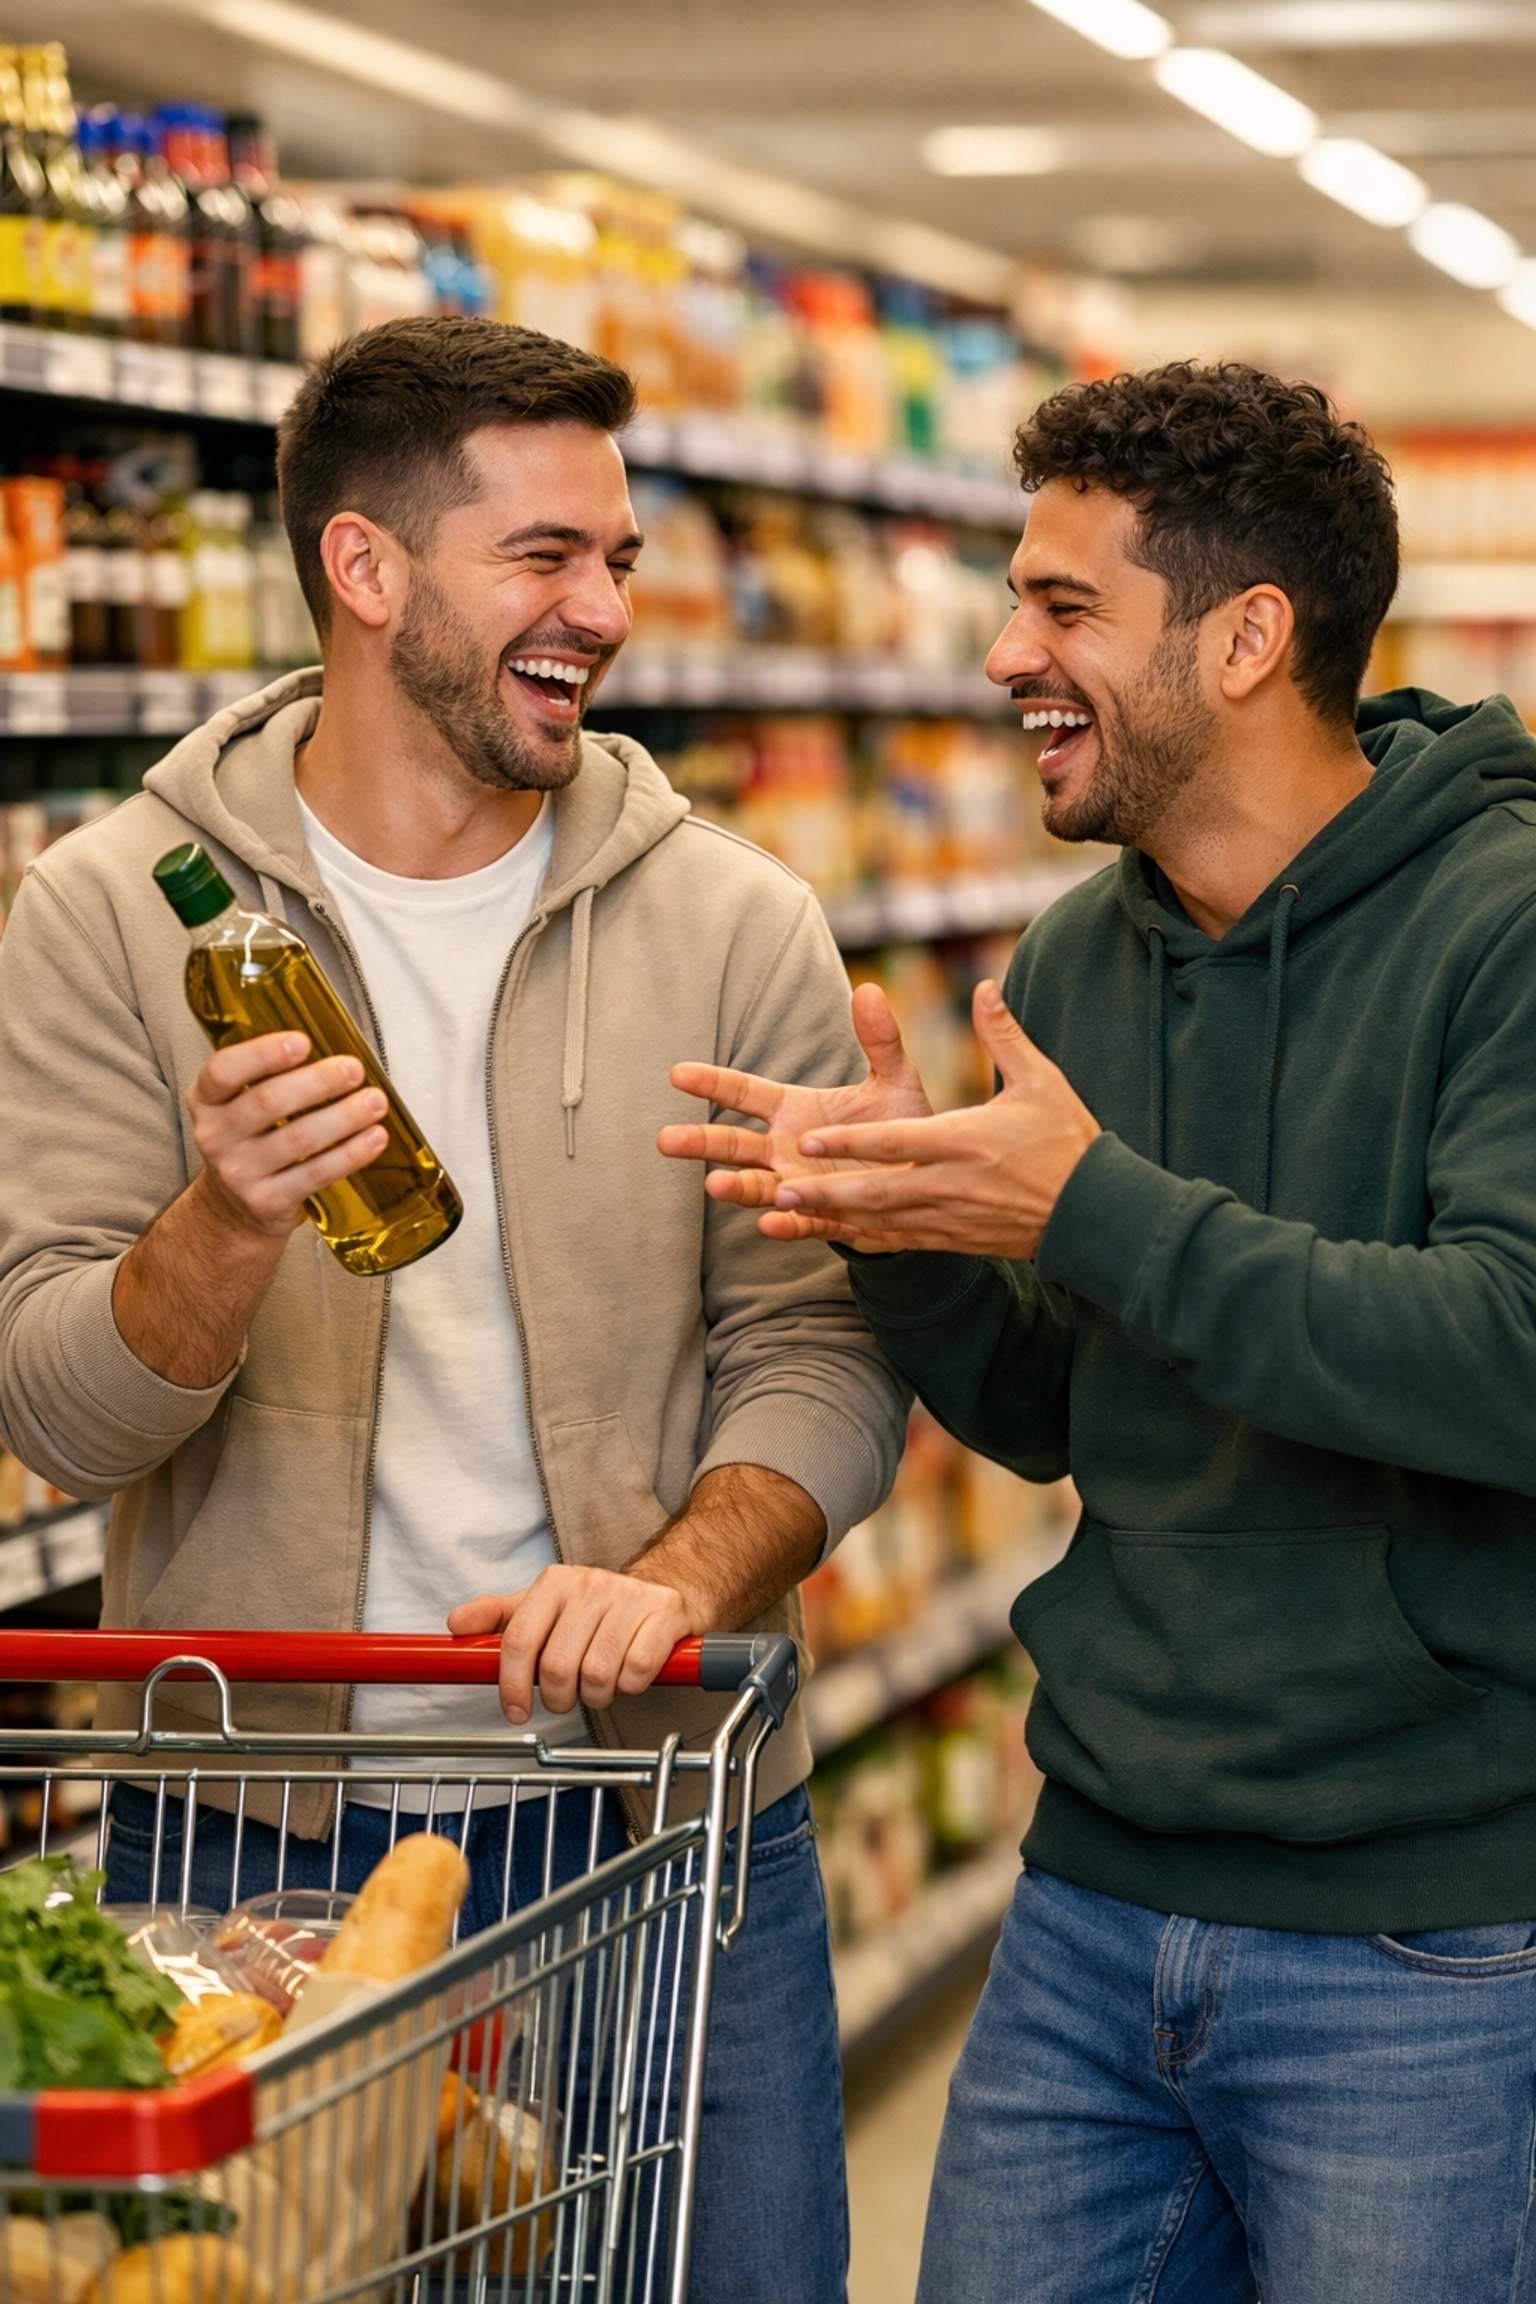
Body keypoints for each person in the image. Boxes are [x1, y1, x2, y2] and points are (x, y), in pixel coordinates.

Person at [0, 314, 910, 2304]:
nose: (603, 607)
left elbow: (822, 1360)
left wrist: (677, 1575)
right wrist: (225, 1223)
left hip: (649, 1804)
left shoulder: (728, 915)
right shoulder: (107, 913)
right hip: (251, 1823)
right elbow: (63, 1414)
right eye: (546, 558)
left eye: (618, 560)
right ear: (367, 569)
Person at [660, 361, 1536, 2303]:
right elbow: (1065, 1409)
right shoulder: (1070, 960)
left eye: (1063, 606)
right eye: (1009, 595)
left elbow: (1512, 1352)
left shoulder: (1506, 920)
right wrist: (897, 1226)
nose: (999, 653)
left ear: (1246, 640)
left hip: (1429, 1937)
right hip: (1093, 1898)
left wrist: (1091, 1208)